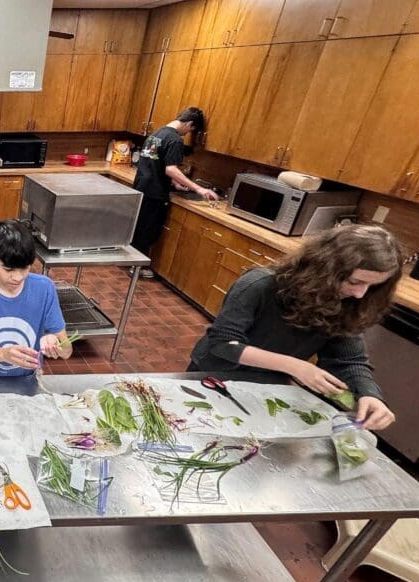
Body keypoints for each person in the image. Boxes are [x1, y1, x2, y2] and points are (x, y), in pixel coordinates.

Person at [189, 225, 402, 431]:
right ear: (325, 269)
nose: (360, 294)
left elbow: (348, 360)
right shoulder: (259, 285)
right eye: (355, 282)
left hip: (267, 384)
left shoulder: (348, 304)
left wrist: (369, 393)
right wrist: (296, 366)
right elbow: (224, 345)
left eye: (372, 286)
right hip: (214, 373)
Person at [0, 220, 73, 377]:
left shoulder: (44, 288)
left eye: (25, 268)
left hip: (26, 381)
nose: (18, 277)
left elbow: (67, 350)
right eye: (8, 269)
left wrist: (55, 344)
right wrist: (2, 354)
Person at [132, 107, 219, 277]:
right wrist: (198, 188)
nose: (187, 134)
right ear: (189, 124)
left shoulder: (157, 134)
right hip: (155, 192)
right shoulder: (175, 139)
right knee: (149, 229)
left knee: (140, 226)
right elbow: (171, 169)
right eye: (190, 131)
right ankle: (137, 268)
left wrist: (175, 184)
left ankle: (133, 264)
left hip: (142, 186)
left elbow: (156, 162)